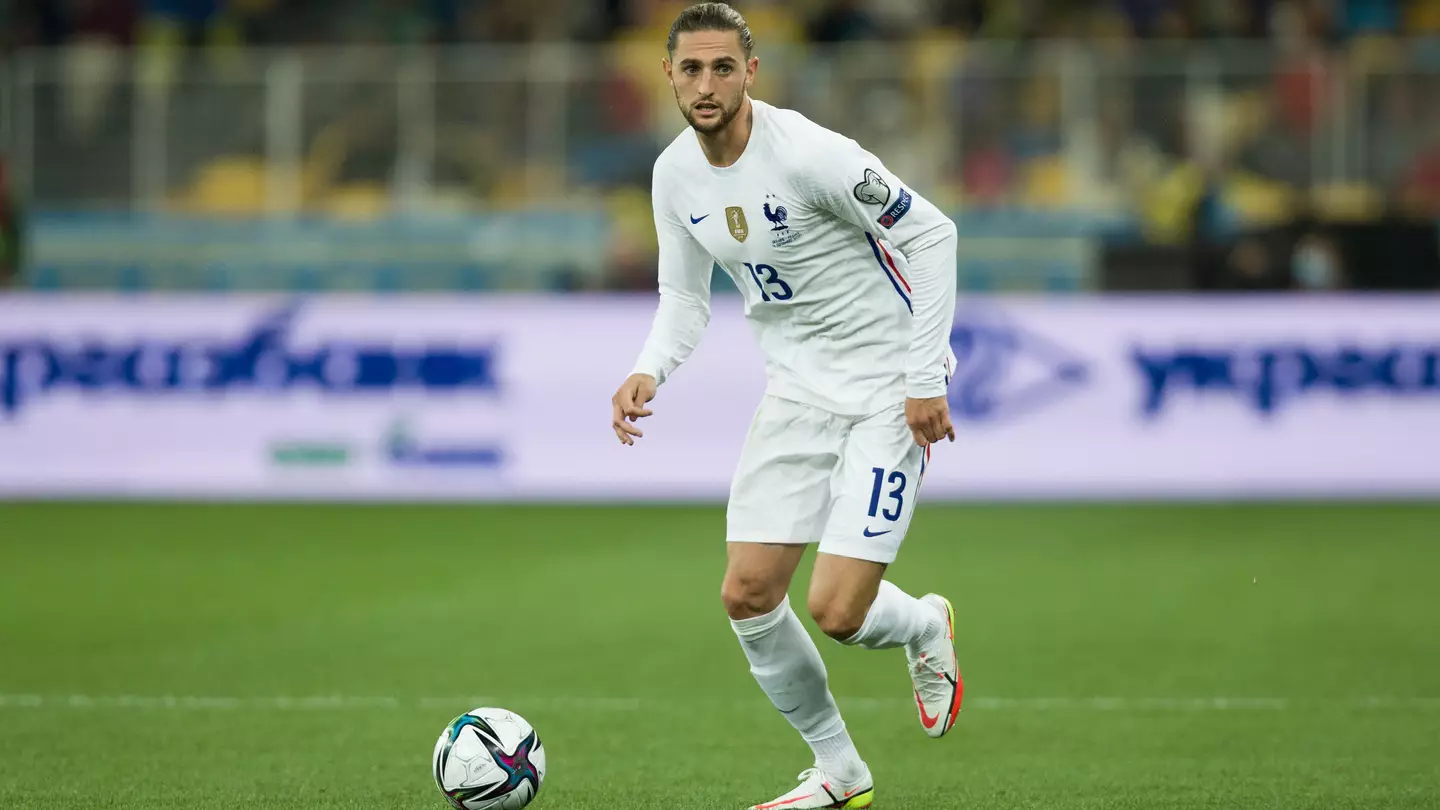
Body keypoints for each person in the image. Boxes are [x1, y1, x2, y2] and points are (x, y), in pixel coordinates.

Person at [609, 4, 962, 808]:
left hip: (884, 386)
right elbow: (683, 296)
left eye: (722, 68)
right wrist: (649, 370)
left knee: (837, 611)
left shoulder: (809, 154)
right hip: (797, 389)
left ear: (751, 73)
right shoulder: (674, 175)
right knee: (746, 594)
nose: (706, 84)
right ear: (667, 73)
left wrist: (923, 379)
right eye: (691, 68)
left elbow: (933, 235)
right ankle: (840, 771)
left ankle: (925, 626)